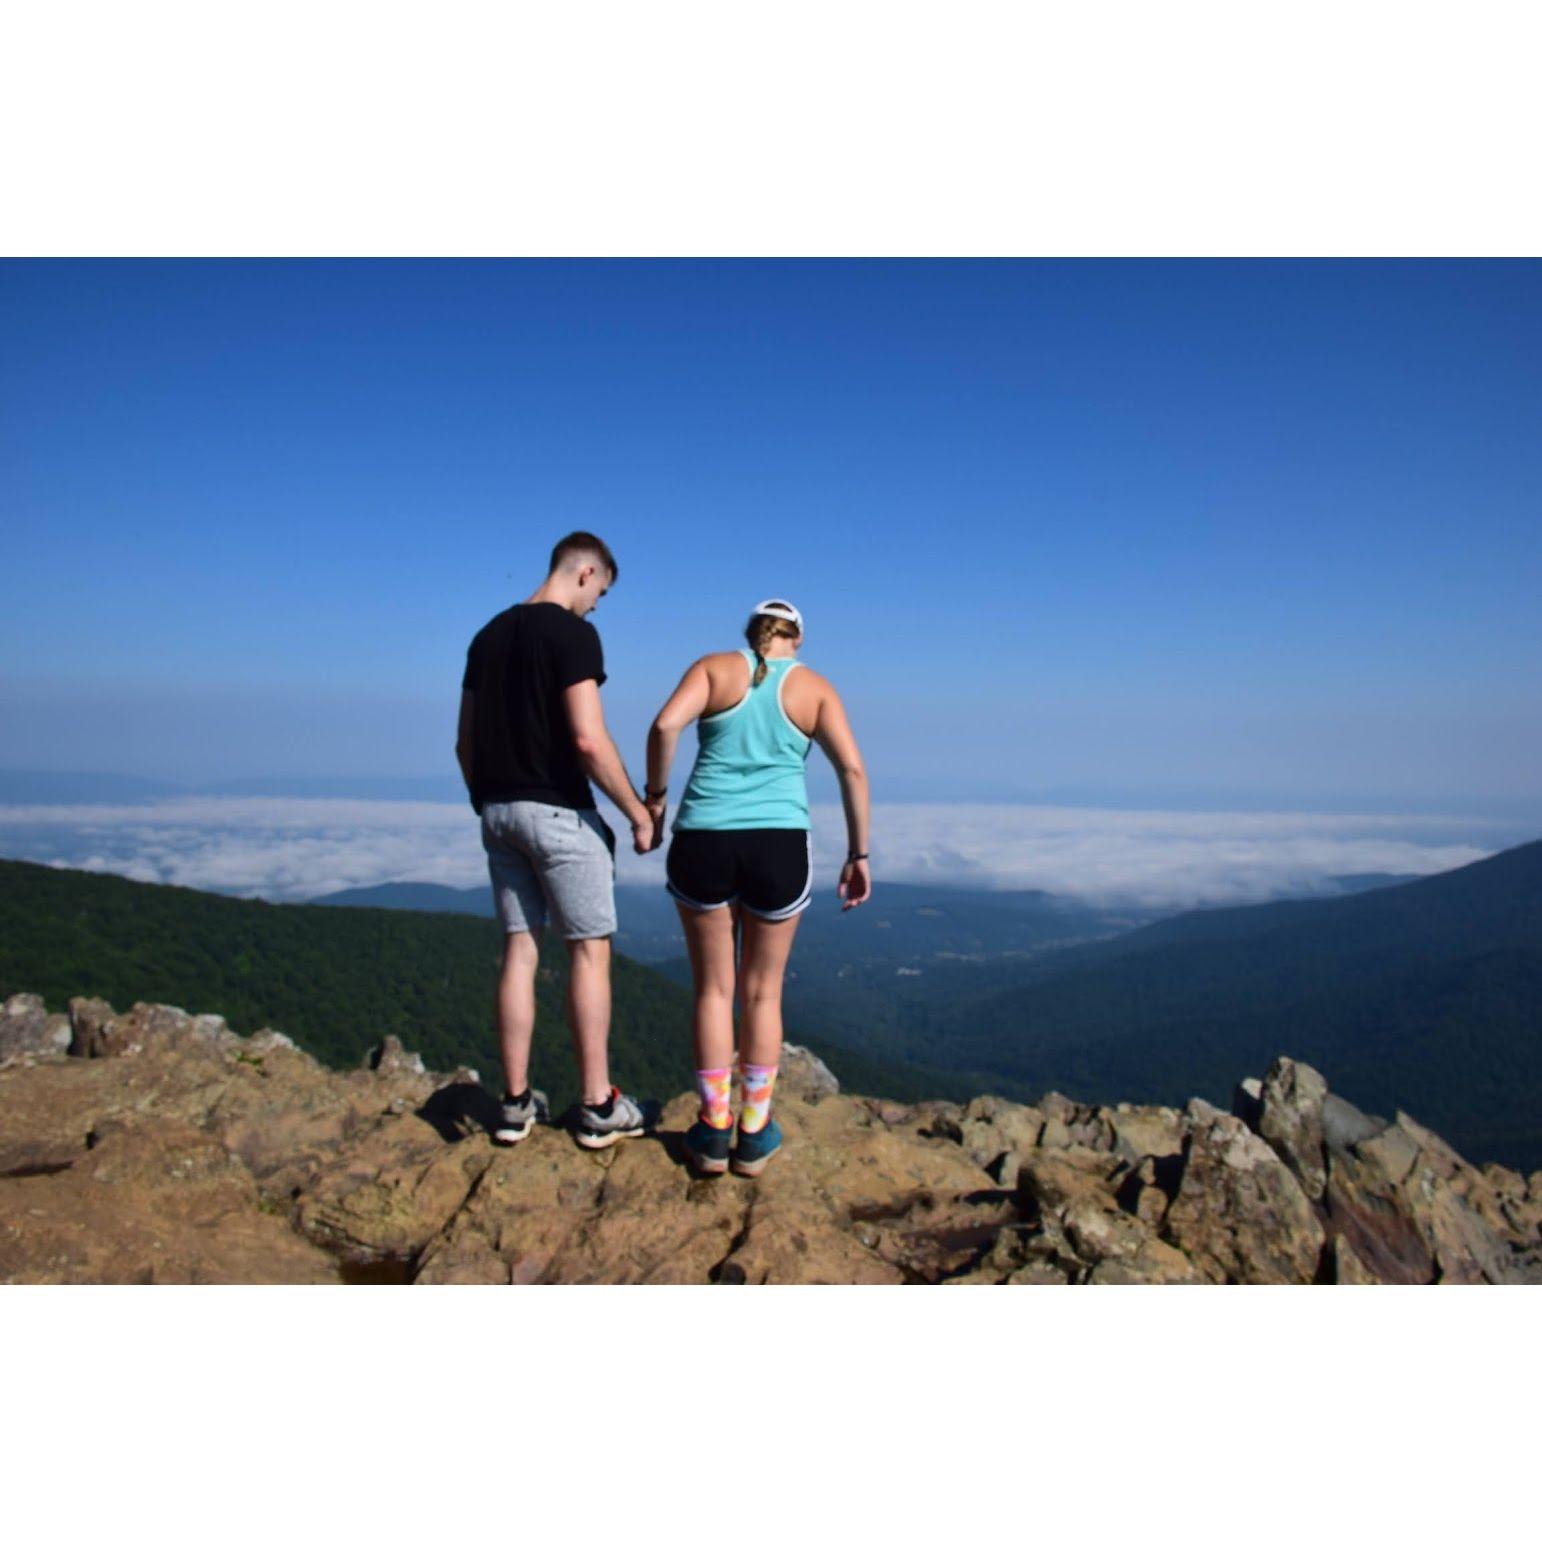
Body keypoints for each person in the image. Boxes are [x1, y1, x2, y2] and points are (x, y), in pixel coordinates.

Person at [644, 598, 871, 1177]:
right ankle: (754, 1132)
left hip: (703, 839)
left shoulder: (713, 668)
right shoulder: (814, 687)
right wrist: (858, 853)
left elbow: (666, 724)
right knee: (763, 993)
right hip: (778, 843)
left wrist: (656, 796)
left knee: (713, 990)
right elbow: (852, 769)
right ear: (797, 638)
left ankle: (713, 1129)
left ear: (752, 633)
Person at [456, 531, 656, 1150]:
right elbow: (588, 739)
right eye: (600, 591)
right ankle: (598, 1105)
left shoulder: (487, 636)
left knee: (519, 949)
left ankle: (514, 1103)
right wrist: (636, 815)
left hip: (498, 811)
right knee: (588, 953)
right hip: (560, 816)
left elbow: (465, 742)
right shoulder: (572, 635)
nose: (597, 604)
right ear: (586, 570)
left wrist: (486, 802)